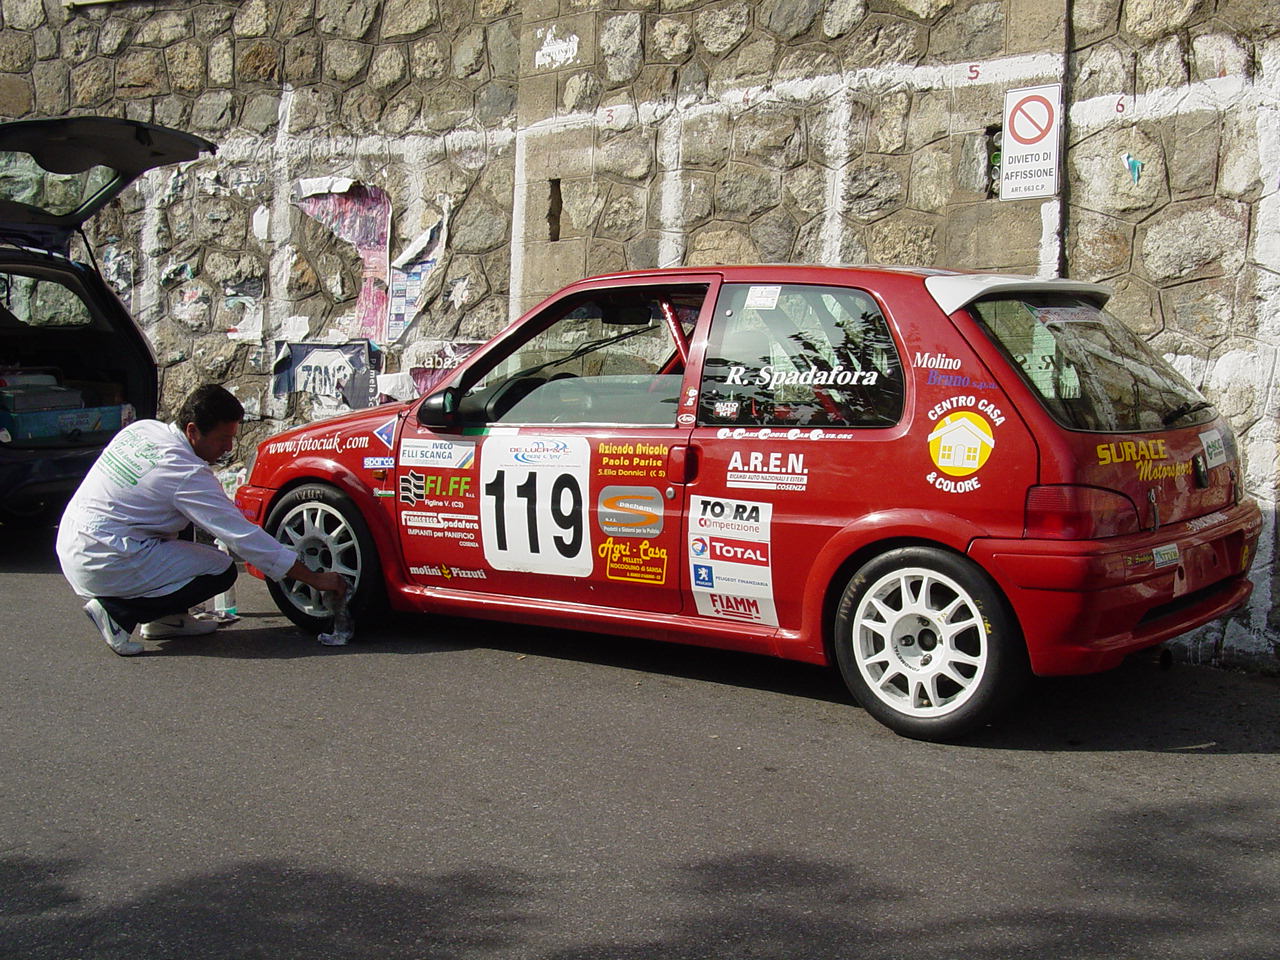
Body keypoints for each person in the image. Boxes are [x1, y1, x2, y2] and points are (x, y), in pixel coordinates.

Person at [56, 384, 347, 656]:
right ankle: (117, 613)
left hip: (74, 540)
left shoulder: (142, 430)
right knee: (220, 570)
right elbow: (241, 536)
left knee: (182, 521)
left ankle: (167, 620)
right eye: (223, 438)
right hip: (108, 558)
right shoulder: (185, 473)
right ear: (193, 430)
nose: (229, 448)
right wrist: (313, 577)